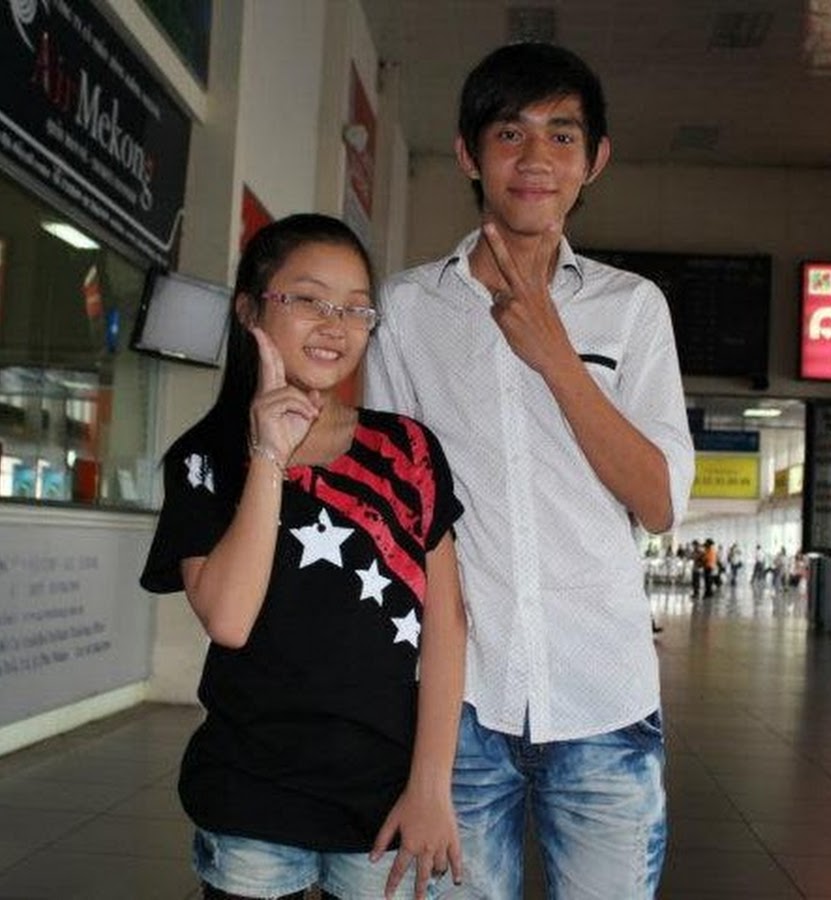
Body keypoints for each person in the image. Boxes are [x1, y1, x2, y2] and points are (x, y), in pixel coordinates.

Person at [366, 43, 694, 899]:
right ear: (469, 154)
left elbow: (659, 500)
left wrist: (556, 356)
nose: (537, 157)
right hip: (460, 708)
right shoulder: (408, 309)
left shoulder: (632, 308)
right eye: (510, 133)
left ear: (595, 160)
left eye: (562, 134)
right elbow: (396, 512)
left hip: (604, 696)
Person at [139, 214, 467, 900]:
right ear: (249, 309)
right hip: (251, 798)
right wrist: (269, 454)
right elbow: (229, 619)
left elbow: (447, 624)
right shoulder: (206, 460)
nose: (335, 325)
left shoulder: (407, 450)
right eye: (309, 299)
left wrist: (431, 787)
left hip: (385, 800)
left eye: (355, 308)